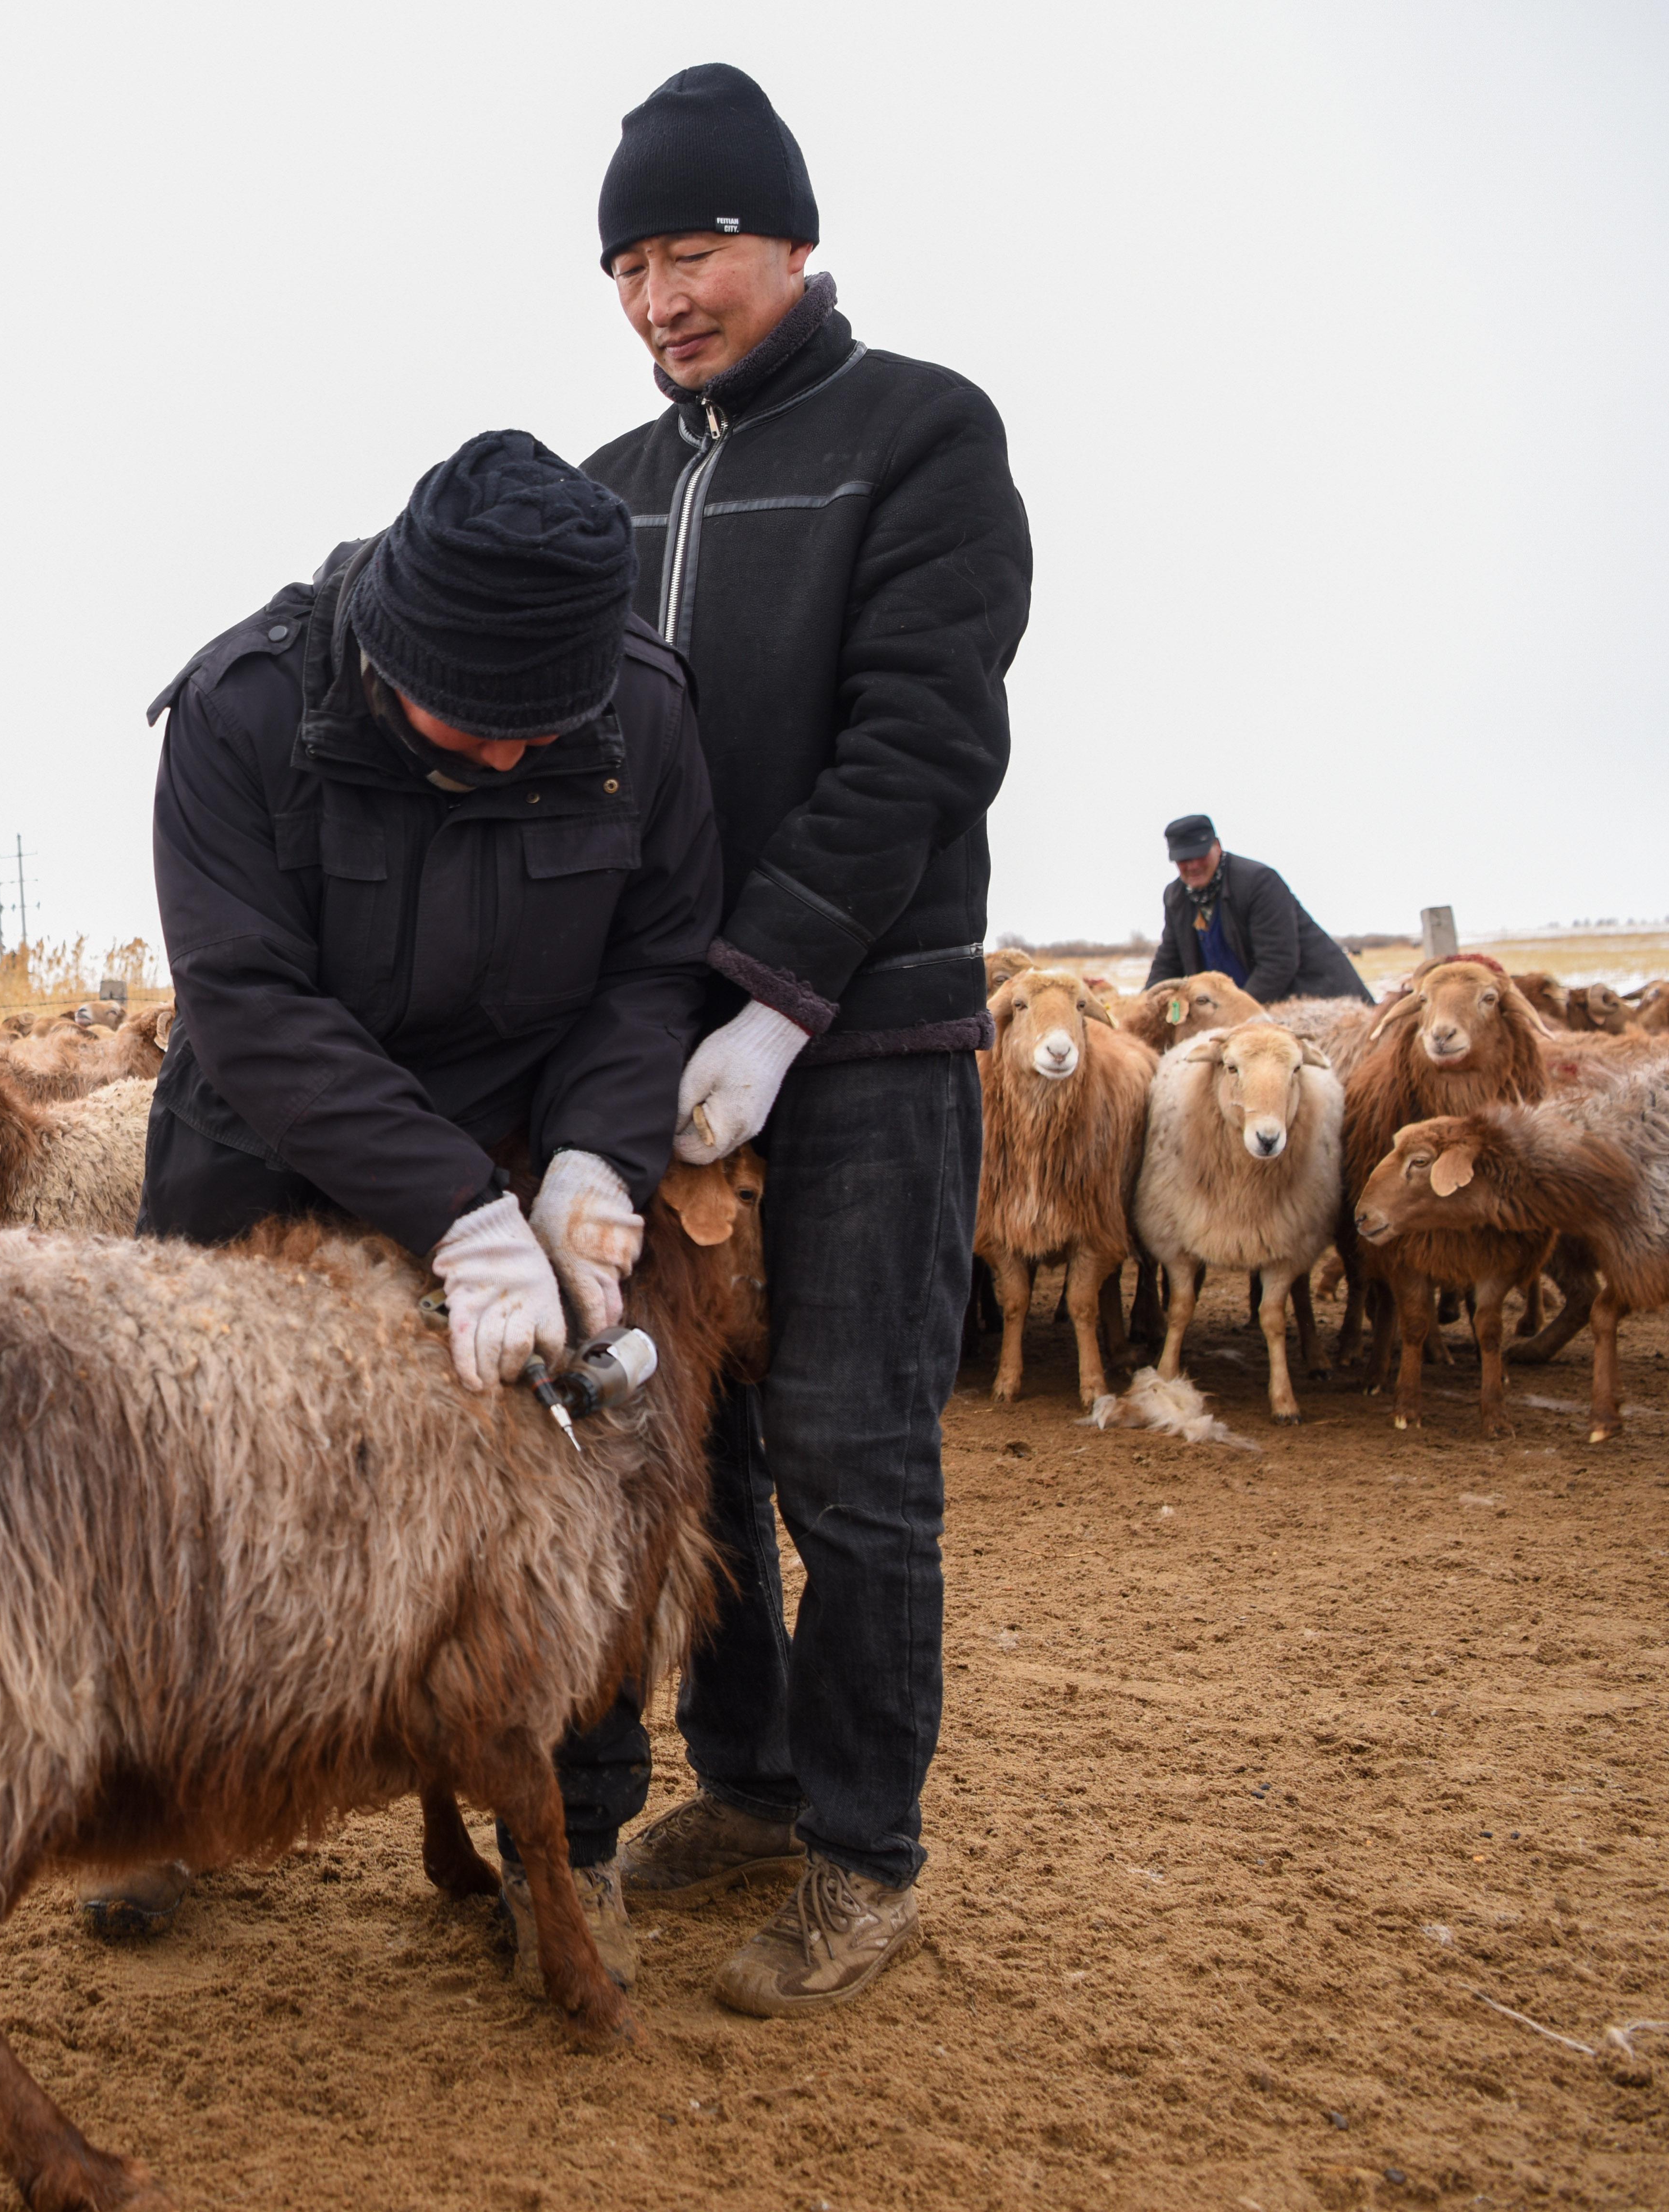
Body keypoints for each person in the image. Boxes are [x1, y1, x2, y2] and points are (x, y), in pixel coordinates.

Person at [109, 428, 721, 1977]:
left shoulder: (640, 712)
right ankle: (177, 1794)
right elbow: (245, 998)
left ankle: (559, 1837)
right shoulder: (245, 710)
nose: (512, 757)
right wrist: (452, 1207)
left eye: (543, 727)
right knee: (220, 1496)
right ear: (388, 646)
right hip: (271, 1143)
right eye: (475, 723)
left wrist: (591, 1160)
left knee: (552, 1493)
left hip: (526, 1134)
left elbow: (652, 962)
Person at [574, 64, 1028, 2017]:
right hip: (658, 1059)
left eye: (698, 250)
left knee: (850, 1452)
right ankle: (749, 1785)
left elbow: (922, 738)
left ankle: (863, 1855)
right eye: (630, 262)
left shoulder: (915, 435)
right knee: (702, 1455)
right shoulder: (605, 488)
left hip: (867, 1040)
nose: (666, 295)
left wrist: (777, 995)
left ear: (791, 240)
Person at [1142, 815, 1370, 1005]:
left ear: (1218, 847)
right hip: (1240, 1010)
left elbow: (1278, 962)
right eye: (1183, 859)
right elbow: (1169, 961)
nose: (1193, 866)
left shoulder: (1258, 882)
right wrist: (1146, 1005)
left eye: (1200, 855)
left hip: (1315, 1000)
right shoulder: (1177, 897)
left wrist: (1236, 1014)